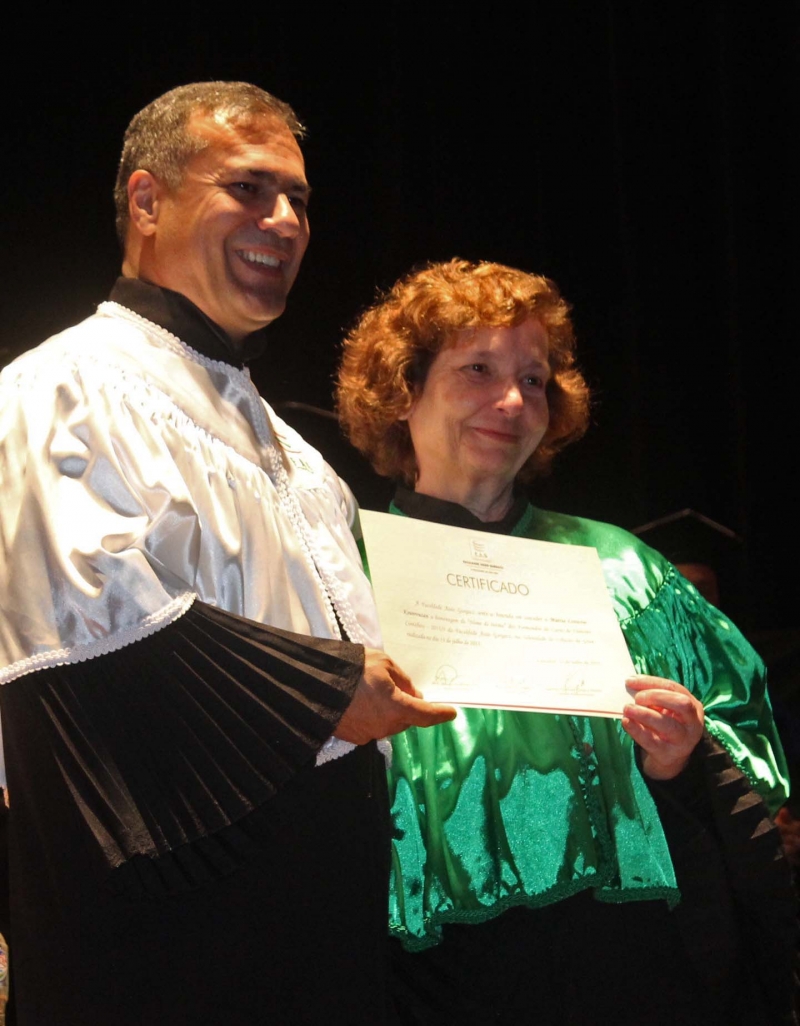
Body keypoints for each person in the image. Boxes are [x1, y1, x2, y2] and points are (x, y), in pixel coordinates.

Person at [0, 82, 455, 1025]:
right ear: (147, 201)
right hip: (165, 943)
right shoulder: (61, 391)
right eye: (248, 188)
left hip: (317, 933)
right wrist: (330, 692)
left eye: (299, 200)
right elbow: (85, 641)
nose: (284, 220)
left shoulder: (302, 461)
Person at [336, 258, 796, 1025]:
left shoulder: (623, 570)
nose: (513, 401)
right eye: (479, 369)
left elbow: (744, 742)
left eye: (535, 379)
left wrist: (682, 758)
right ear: (402, 389)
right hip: (430, 978)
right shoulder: (342, 572)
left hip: (631, 965)